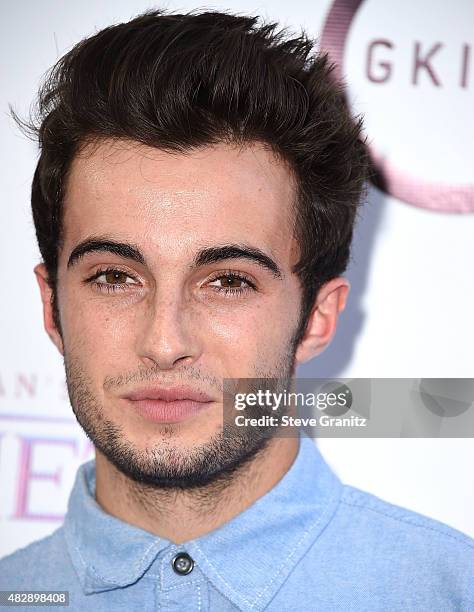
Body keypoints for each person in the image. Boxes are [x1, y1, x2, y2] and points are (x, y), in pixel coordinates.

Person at [1, 8, 472, 611]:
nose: (165, 341)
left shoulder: (450, 591)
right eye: (115, 277)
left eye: (227, 282)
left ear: (317, 318)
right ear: (52, 305)